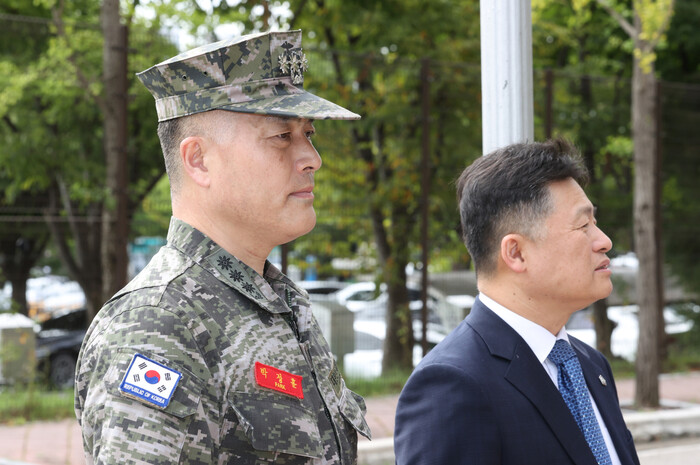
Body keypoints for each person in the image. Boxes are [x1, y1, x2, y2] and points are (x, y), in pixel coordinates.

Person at [74, 30, 371, 464]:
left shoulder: (280, 303)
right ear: (198, 160)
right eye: (282, 137)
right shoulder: (158, 324)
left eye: (308, 134)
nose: (312, 158)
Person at [394, 139, 640, 465]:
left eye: (594, 222)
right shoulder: (452, 385)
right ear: (516, 253)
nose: (604, 241)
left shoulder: (590, 365)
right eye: (583, 225)